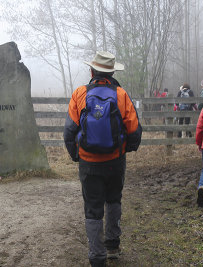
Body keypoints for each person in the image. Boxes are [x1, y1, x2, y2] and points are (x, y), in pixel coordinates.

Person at [63, 51, 142, 267]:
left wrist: (77, 155)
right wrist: (126, 150)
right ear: (112, 72)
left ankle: (97, 258)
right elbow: (134, 131)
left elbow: (69, 132)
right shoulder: (121, 94)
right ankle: (113, 247)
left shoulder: (79, 93)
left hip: (89, 163)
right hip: (115, 160)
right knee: (113, 199)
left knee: (93, 208)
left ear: (91, 71)